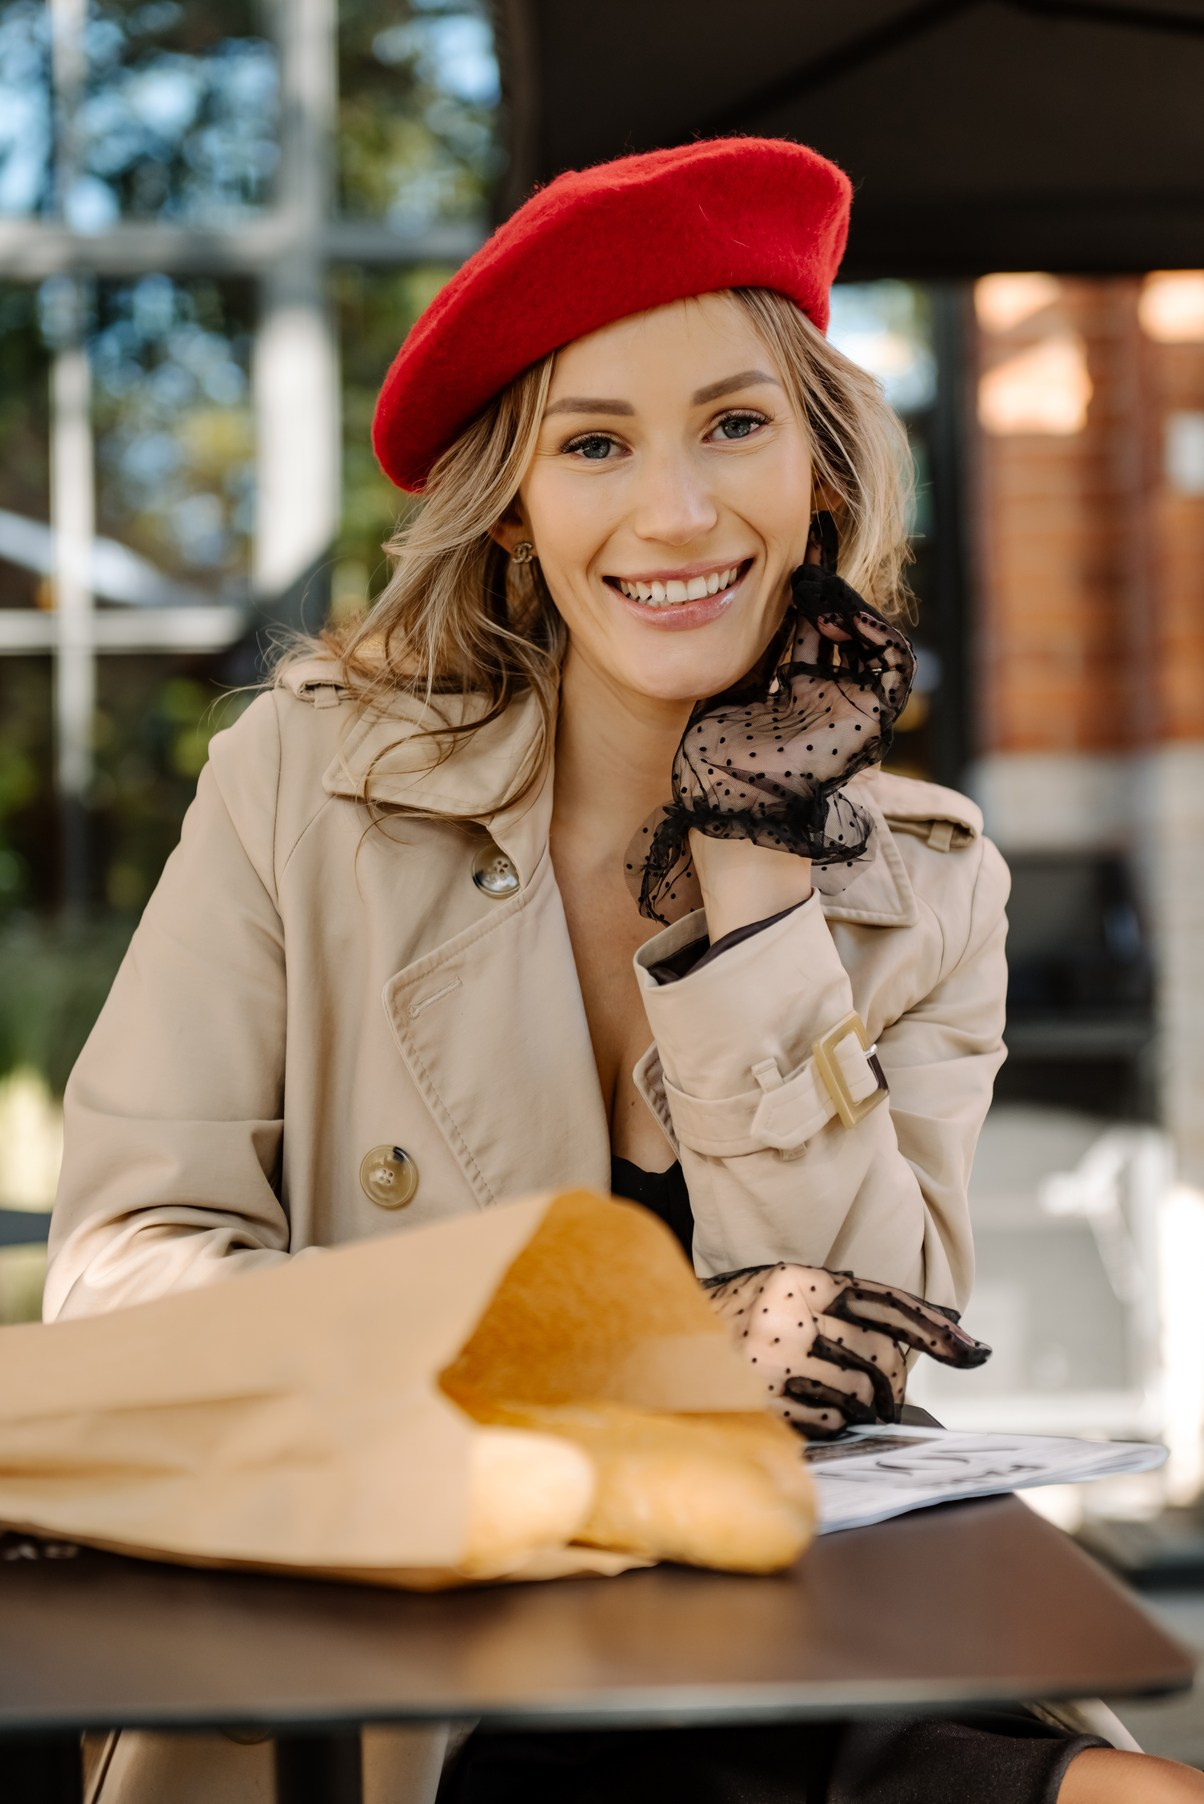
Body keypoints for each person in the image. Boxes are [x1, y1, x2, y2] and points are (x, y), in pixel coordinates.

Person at [45, 139, 1203, 1803]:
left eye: (734, 424)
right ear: (515, 513)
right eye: (595, 444)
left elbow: (876, 1353)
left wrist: (754, 878)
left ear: (821, 469)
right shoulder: (307, 790)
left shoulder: (928, 879)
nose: (677, 513)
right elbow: (120, 1282)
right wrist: (605, 1357)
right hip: (418, 1663)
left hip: (806, 1655)